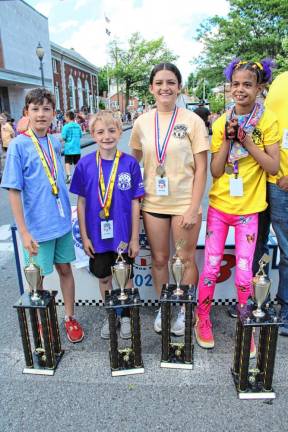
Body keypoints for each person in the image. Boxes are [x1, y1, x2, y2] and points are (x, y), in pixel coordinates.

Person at [194, 59, 280, 357]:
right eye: (236, 84)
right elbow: (216, 172)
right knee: (211, 269)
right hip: (220, 207)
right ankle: (202, 318)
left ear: (259, 88)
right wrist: (230, 142)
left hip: (250, 210)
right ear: (229, 88)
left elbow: (272, 166)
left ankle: (246, 326)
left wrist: (247, 142)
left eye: (247, 84)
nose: (240, 90)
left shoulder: (268, 122)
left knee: (245, 275)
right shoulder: (220, 123)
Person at [130, 63, 209, 335]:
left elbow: (202, 168)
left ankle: (185, 308)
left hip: (184, 203)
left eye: (171, 82)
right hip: (153, 204)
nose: (165, 87)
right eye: (160, 82)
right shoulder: (141, 122)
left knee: (185, 260)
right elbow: (133, 161)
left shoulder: (192, 120)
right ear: (151, 87)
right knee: (160, 260)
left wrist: (192, 207)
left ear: (179, 87)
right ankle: (166, 306)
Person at [1, 88, 84, 343]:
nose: (41, 114)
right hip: (37, 229)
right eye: (35, 109)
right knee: (37, 279)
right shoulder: (18, 145)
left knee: (65, 270)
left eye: (46, 109)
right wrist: (24, 232)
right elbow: (14, 191)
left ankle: (69, 318)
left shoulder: (55, 141)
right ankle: (40, 321)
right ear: (26, 113)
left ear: (53, 113)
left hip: (60, 224)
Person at [70, 110, 144, 339]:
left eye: (112, 131)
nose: (106, 136)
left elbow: (135, 202)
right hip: (97, 236)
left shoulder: (130, 164)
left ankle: (127, 316)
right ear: (92, 133)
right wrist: (84, 237)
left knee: (127, 276)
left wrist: (134, 238)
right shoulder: (84, 165)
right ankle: (111, 314)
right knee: (104, 277)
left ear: (120, 132)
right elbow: (81, 203)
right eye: (100, 132)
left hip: (123, 235)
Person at [253, 71, 288, 336]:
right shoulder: (279, 80)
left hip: (285, 184)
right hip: (263, 180)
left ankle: (286, 309)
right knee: (258, 242)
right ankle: (257, 301)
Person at [61, 110, 82, 184]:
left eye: (65, 117)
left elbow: (63, 137)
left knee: (67, 162)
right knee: (77, 163)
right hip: (77, 149)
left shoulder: (66, 127)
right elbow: (80, 135)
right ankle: (78, 177)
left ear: (68, 117)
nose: (64, 118)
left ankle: (69, 176)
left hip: (69, 149)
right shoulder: (78, 126)